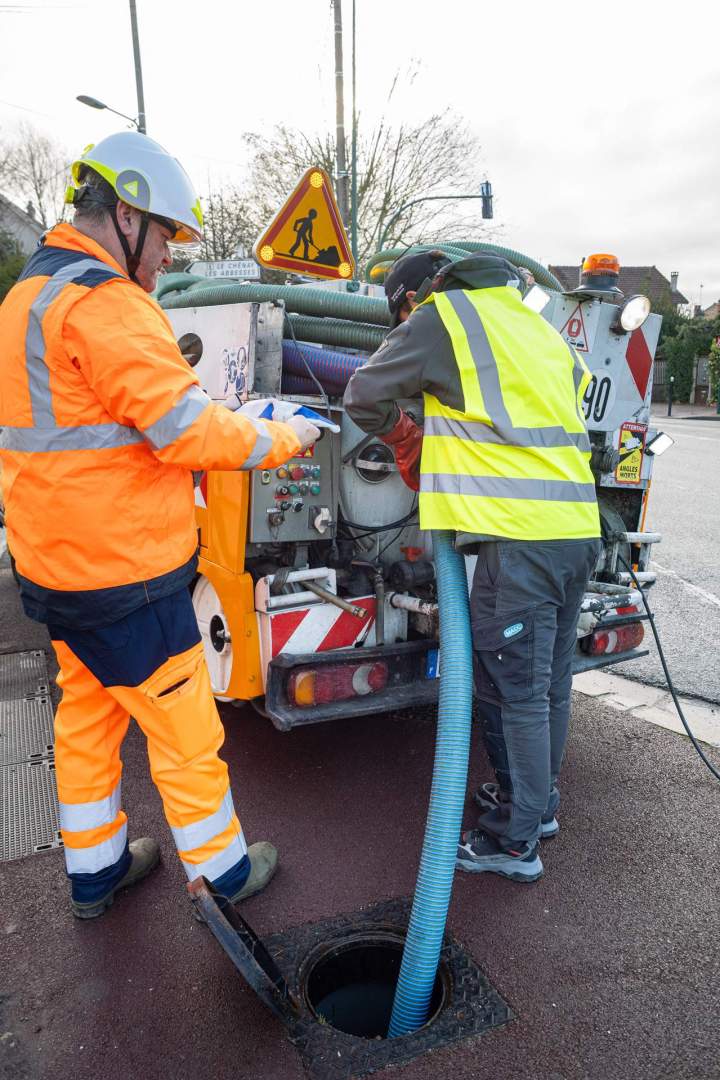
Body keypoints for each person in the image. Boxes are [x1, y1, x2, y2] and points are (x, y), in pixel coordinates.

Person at [0, 131, 320, 919]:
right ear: (128, 214)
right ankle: (225, 873)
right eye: (168, 236)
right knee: (184, 730)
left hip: (55, 568)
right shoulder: (108, 305)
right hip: (128, 573)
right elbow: (190, 435)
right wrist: (286, 436)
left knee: (87, 719)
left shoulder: (23, 301)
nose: (169, 258)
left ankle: (96, 872)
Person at [344, 250, 601, 883]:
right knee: (548, 684)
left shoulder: (442, 318)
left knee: (512, 693)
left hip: (518, 543)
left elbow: (362, 394)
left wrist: (408, 437)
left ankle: (517, 842)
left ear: (412, 299)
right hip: (575, 532)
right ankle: (536, 807)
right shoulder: (537, 329)